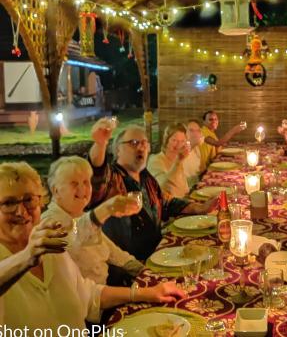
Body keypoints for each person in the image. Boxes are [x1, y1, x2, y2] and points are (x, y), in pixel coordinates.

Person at [0, 162, 186, 331]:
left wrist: (148, 292)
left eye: (29, 199)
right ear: (56, 191)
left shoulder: (51, 247)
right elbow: (76, 234)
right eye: (8, 203)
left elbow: (89, 295)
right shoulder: (50, 230)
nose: (21, 210)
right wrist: (26, 258)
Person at [88, 119, 217, 260]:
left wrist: (199, 208)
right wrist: (100, 145)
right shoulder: (113, 178)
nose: (141, 147)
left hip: (156, 254)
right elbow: (97, 177)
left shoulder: (145, 176)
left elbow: (165, 202)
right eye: (134, 143)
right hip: (128, 265)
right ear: (118, 149)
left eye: (144, 143)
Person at [42, 156, 146, 285]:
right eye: (74, 183)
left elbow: (113, 251)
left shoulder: (80, 214)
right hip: (81, 302)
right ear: (55, 190)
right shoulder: (48, 222)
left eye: (86, 182)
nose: (82, 189)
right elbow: (75, 238)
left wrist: (141, 269)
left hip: (103, 295)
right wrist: (105, 210)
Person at [147, 124, 191, 197]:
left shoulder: (177, 159)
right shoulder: (155, 160)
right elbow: (162, 186)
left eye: (182, 141)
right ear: (166, 141)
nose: (178, 145)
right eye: (174, 140)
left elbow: (183, 189)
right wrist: (178, 161)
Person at [183, 119, 211, 186]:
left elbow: (199, 171)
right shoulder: (181, 151)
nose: (195, 133)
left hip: (196, 186)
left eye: (198, 130)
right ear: (184, 134)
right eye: (191, 130)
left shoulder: (196, 149)